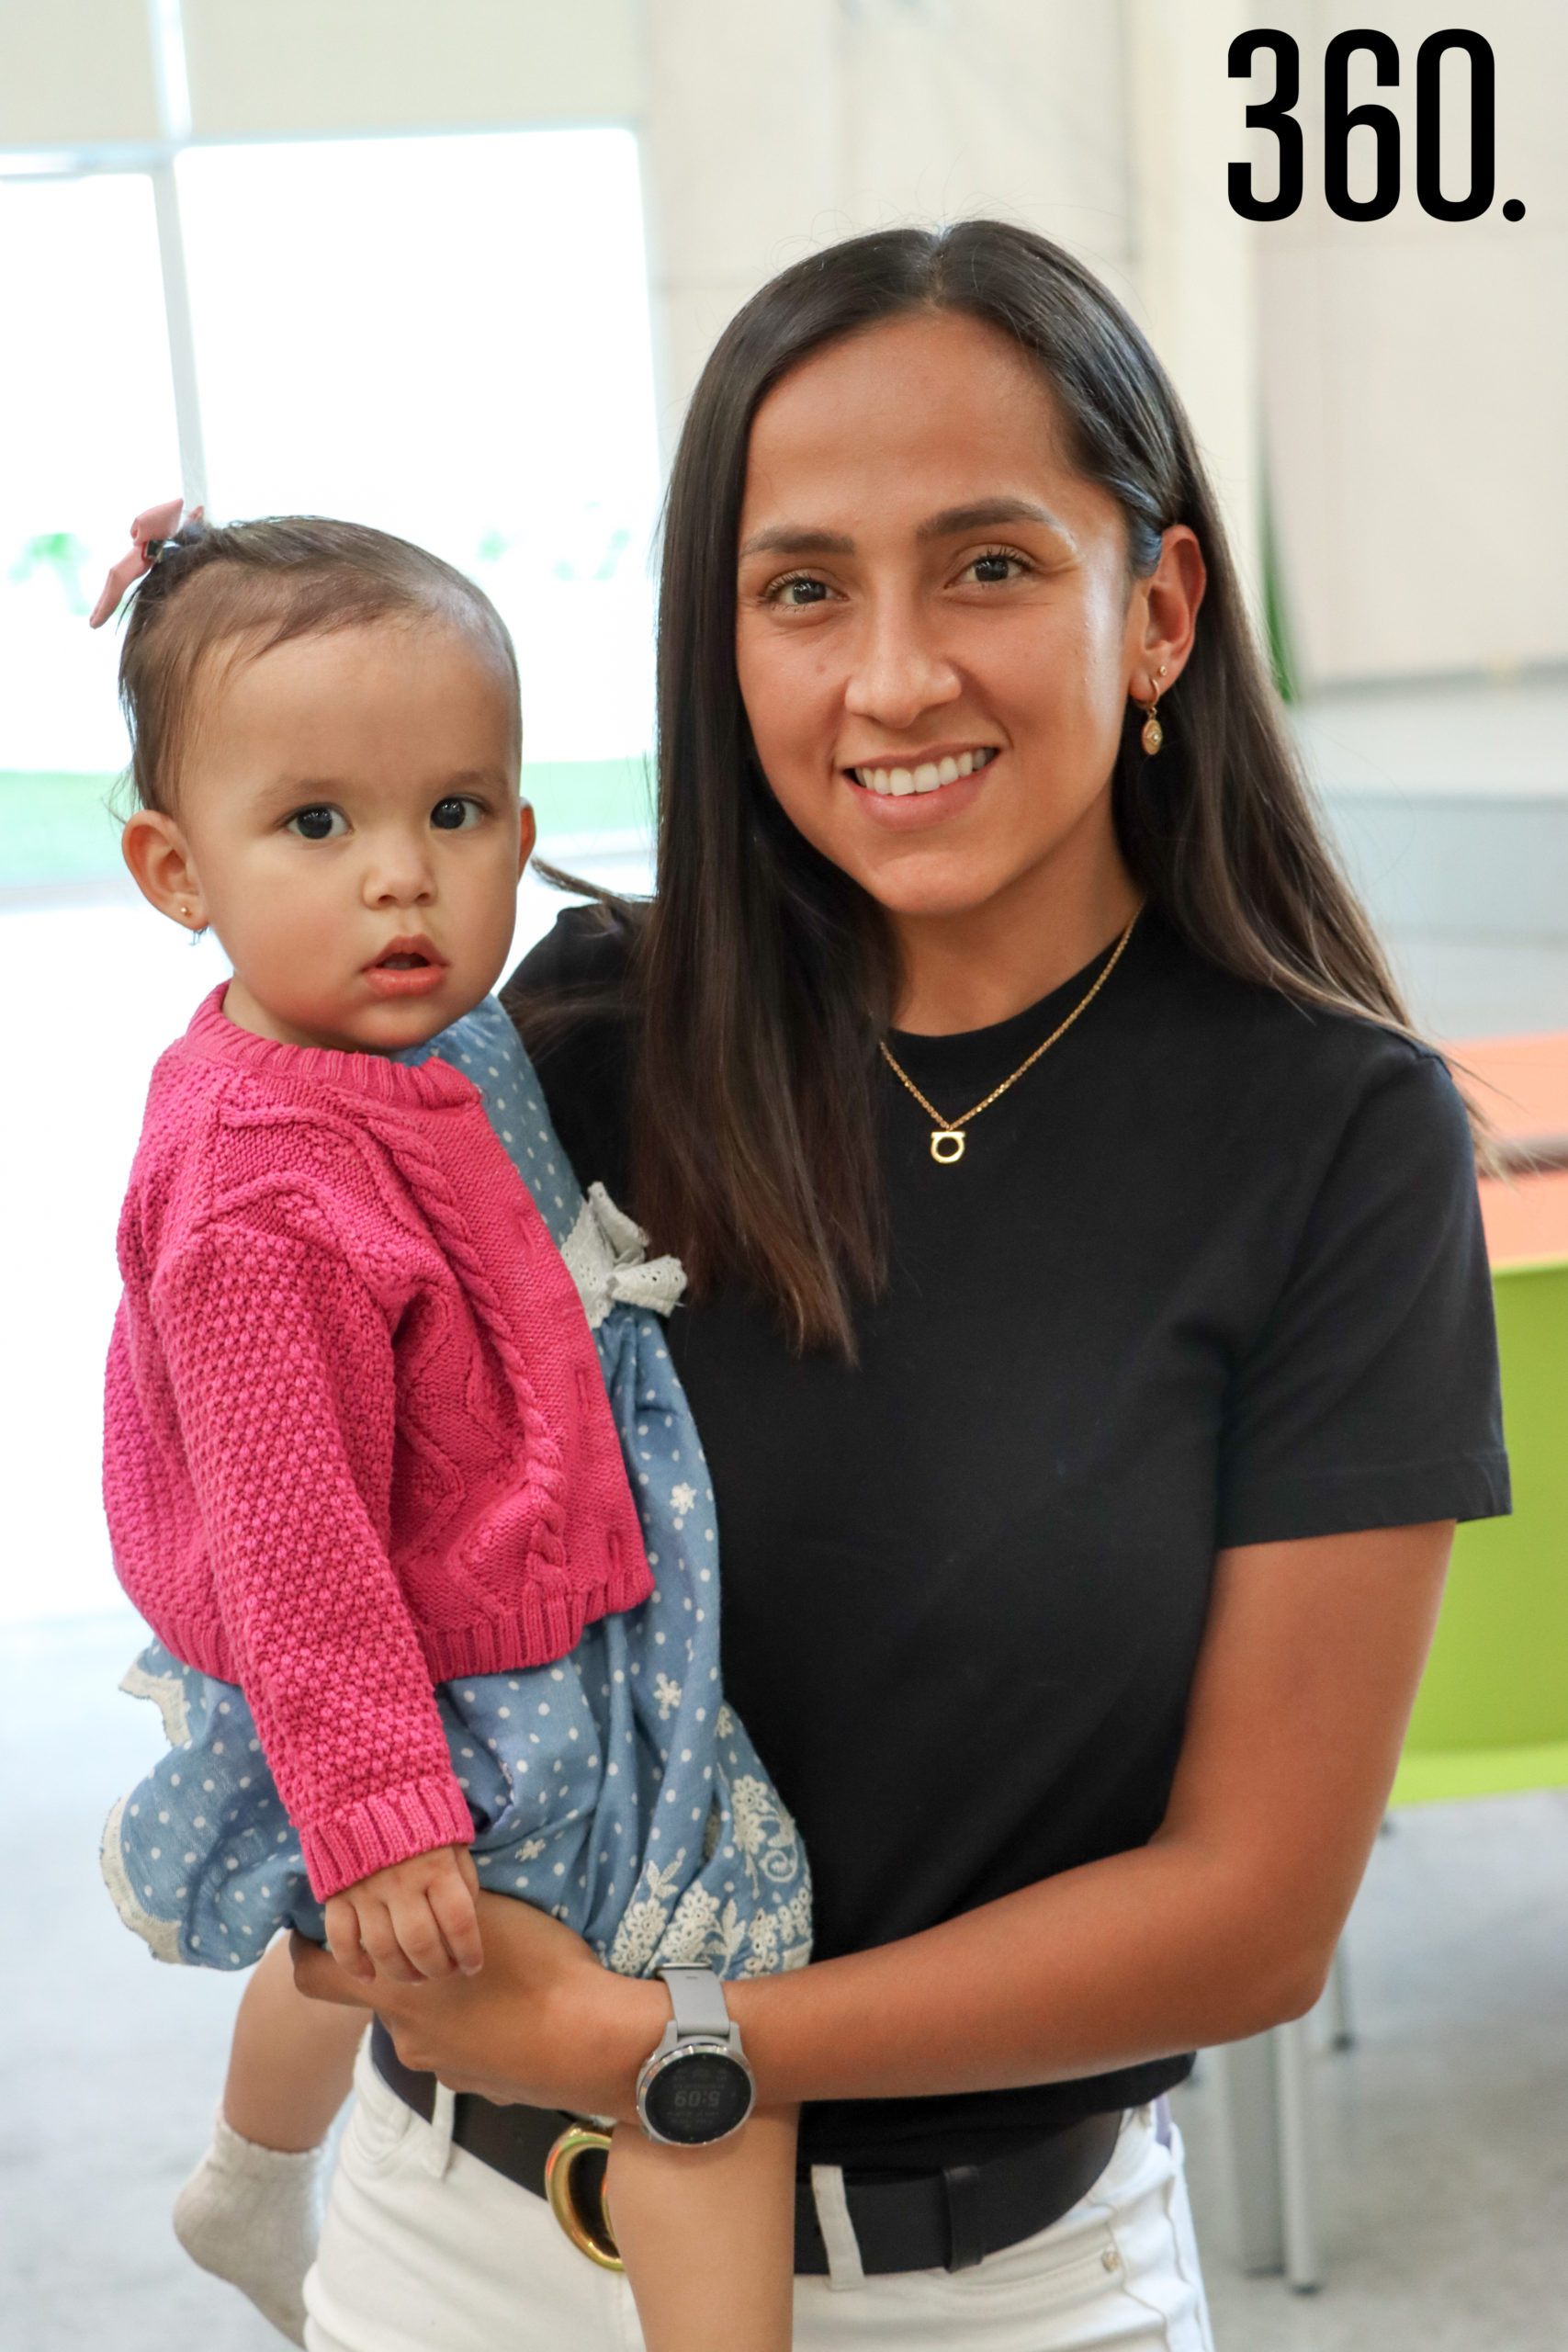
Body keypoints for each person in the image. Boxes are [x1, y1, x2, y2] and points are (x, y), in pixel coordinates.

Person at [293, 220, 1509, 2351]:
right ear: (721, 640)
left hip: (993, 2288)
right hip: (457, 2243)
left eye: (987, 565)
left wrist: (668, 2035)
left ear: (1156, 609)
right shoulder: (578, 1041)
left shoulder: (1331, 1139)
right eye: (799, 589)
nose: (887, 676)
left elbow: (1249, 1910)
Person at [96, 510, 808, 2352]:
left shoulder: (415, 1031)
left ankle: (251, 2174)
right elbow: (289, 1535)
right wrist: (376, 1803)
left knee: (360, 1957)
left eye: (461, 811)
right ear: (175, 867)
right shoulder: (259, 1187)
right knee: (692, 2007)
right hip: (426, 1670)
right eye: (316, 824)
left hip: (478, 1603)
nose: (402, 881)